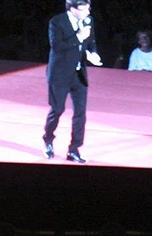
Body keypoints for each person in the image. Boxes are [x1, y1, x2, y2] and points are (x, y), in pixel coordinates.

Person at [45, 0, 101, 163]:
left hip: (78, 73)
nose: (88, 11)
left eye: (89, 7)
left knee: (80, 113)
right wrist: (78, 37)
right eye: (84, 8)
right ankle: (48, 139)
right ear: (73, 9)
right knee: (57, 109)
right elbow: (57, 46)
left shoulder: (88, 21)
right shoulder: (57, 22)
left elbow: (91, 42)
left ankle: (74, 149)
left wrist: (93, 54)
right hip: (60, 74)